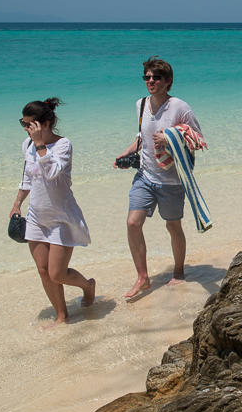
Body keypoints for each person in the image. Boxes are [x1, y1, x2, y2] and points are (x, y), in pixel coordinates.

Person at [114, 57, 203, 299]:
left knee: (173, 226)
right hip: (144, 175)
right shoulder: (141, 105)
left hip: (171, 181)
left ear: (168, 81)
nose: (151, 81)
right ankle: (143, 277)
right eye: (147, 77)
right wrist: (126, 153)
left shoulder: (180, 108)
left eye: (156, 77)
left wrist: (171, 138)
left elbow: (197, 138)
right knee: (133, 223)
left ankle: (179, 270)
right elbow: (141, 136)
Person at [10, 98, 95, 325]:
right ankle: (61, 315)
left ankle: (87, 285)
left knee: (57, 273)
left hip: (62, 218)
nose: (26, 129)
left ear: (45, 124)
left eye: (30, 125)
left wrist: (40, 146)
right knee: (43, 270)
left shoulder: (63, 145)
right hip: (37, 216)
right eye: (23, 124)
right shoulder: (26, 145)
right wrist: (17, 203)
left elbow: (53, 174)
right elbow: (27, 178)